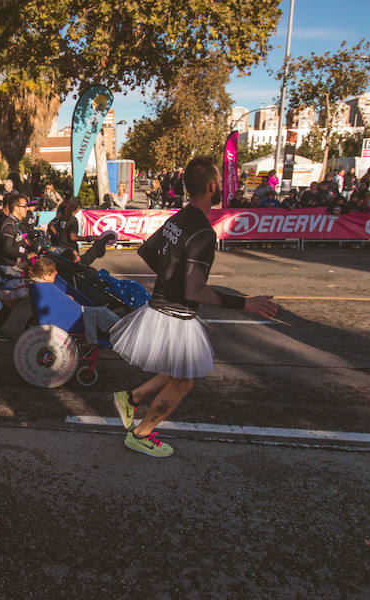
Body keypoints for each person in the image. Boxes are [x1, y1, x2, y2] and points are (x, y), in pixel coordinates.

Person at [110, 157, 279, 457]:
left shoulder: (179, 217)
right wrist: (245, 303)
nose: (226, 185)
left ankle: (131, 398)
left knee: (179, 370)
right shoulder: (203, 232)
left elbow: (147, 250)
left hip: (160, 309)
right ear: (212, 187)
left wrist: (169, 275)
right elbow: (195, 290)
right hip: (177, 315)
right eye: (221, 182)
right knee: (184, 381)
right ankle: (141, 433)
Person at [0, 194, 32, 341]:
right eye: (24, 206)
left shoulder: (16, 223)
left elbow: (19, 243)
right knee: (9, 300)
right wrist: (25, 256)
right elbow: (6, 248)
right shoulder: (8, 224)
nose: (27, 209)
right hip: (2, 268)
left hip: (10, 267)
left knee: (14, 299)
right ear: (16, 208)